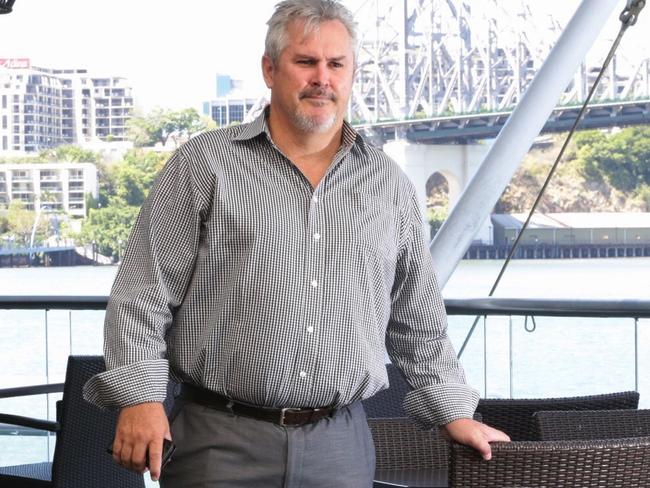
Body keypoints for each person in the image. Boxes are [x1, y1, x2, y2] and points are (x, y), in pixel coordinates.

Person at [84, 0, 509, 486]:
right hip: (218, 442)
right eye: (305, 62)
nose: (321, 78)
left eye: (336, 64)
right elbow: (143, 293)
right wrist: (139, 399)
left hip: (339, 445)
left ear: (352, 73)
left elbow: (416, 314)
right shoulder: (203, 164)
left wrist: (454, 411)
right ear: (270, 69)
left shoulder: (388, 183)